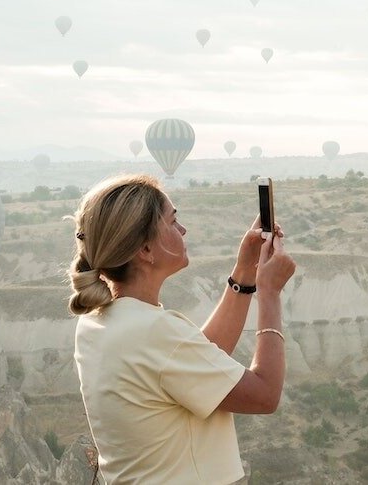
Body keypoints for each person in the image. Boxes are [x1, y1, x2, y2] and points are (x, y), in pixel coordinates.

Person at [67, 173, 296, 484]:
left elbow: (196, 361)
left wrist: (245, 273)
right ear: (145, 250)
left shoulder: (98, 323)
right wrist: (269, 295)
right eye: (173, 221)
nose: (183, 229)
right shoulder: (153, 331)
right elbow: (265, 396)